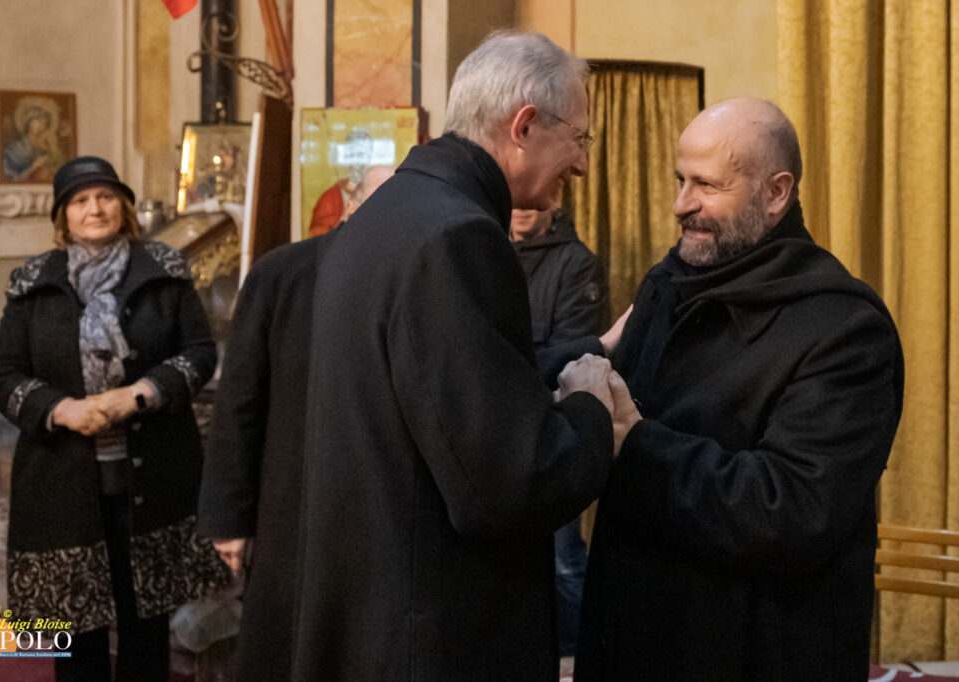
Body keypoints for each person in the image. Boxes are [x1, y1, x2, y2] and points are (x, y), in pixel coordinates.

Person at [293, 31, 640, 681]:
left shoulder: (390, 213)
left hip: (371, 611)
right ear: (524, 126)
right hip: (435, 633)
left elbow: (445, 385)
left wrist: (591, 347)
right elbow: (508, 485)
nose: (582, 165)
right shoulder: (462, 236)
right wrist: (594, 409)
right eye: (580, 138)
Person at [576, 98, 904, 681]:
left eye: (706, 185)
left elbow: (794, 511)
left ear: (776, 193)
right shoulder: (666, 285)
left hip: (757, 654)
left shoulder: (845, 328)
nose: (681, 204)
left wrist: (636, 442)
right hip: (637, 639)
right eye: (680, 180)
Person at [0, 156, 230, 681]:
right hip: (61, 480)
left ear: (123, 205)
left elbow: (199, 353)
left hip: (153, 474)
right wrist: (61, 409)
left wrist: (141, 394)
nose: (94, 208)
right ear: (63, 216)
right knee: (74, 626)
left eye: (105, 196)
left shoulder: (163, 268)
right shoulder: (32, 282)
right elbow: (2, 374)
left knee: (146, 618)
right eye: (80, 200)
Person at [197, 161, 394, 680]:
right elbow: (239, 399)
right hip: (291, 501)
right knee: (286, 646)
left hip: (377, 510)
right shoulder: (281, 272)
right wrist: (229, 518)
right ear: (349, 205)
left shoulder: (413, 274)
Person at [511, 196, 608, 662]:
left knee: (564, 558)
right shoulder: (483, 248)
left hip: (553, 429)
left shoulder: (576, 262)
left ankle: (572, 657)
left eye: (533, 203)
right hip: (501, 430)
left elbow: (574, 352)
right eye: (514, 202)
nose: (522, 209)